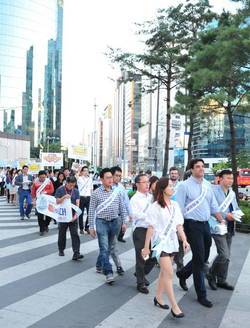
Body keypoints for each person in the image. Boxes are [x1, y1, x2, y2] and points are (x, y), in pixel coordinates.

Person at [175, 158, 224, 308]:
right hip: (191, 225)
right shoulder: (184, 186)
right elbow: (180, 208)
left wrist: (221, 219)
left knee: (203, 257)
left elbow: (213, 204)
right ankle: (201, 295)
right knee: (199, 258)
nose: (201, 169)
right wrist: (180, 230)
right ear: (192, 169)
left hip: (205, 225)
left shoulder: (207, 185)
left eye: (202, 166)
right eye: (198, 167)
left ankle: (182, 274)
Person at [142, 178, 189, 318]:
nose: (172, 187)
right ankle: (175, 306)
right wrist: (146, 247)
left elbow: (179, 225)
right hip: (160, 244)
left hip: (173, 242)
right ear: (162, 189)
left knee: (164, 272)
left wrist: (185, 239)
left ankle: (158, 297)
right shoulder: (155, 206)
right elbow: (150, 227)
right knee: (169, 272)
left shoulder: (175, 204)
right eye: (169, 186)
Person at [88, 168, 127, 284]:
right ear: (101, 179)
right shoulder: (96, 193)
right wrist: (91, 227)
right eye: (108, 178)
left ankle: (99, 264)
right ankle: (108, 272)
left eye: (111, 177)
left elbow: (122, 207)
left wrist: (124, 222)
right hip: (101, 223)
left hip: (115, 223)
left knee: (108, 247)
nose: (111, 180)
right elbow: (91, 211)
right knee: (104, 248)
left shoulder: (117, 192)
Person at [206, 169, 239, 291]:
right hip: (218, 226)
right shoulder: (213, 191)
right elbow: (211, 208)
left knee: (227, 256)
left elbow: (235, 207)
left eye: (232, 178)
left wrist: (236, 214)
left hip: (230, 226)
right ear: (221, 179)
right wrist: (226, 216)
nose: (231, 181)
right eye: (228, 178)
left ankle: (221, 280)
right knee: (224, 254)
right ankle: (211, 273)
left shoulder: (232, 192)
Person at [130, 174, 157, 294]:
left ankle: (140, 273)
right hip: (141, 230)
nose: (147, 184)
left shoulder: (151, 197)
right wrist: (150, 216)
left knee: (153, 257)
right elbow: (135, 215)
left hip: (152, 230)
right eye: (144, 182)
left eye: (148, 182)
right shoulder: (135, 199)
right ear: (137, 185)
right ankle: (140, 283)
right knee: (142, 257)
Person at [55, 176, 83, 260]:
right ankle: (61, 249)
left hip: (73, 215)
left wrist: (76, 215)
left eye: (73, 185)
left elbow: (78, 203)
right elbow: (57, 201)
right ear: (66, 183)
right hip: (63, 216)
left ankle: (76, 252)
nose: (72, 187)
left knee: (75, 234)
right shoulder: (60, 189)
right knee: (62, 233)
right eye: (70, 185)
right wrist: (63, 197)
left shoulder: (76, 191)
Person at [169, 167, 184, 272]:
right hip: (167, 215)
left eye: (175, 173)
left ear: (178, 175)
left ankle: (180, 262)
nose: (174, 175)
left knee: (179, 240)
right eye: (172, 173)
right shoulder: (166, 184)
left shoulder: (182, 186)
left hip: (178, 216)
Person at [31, 170, 54, 236]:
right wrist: (33, 200)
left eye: (44, 177)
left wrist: (45, 192)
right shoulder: (35, 182)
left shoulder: (49, 181)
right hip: (39, 201)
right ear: (39, 176)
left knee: (49, 215)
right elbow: (33, 192)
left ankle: (46, 225)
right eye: (41, 177)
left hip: (47, 200)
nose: (42, 179)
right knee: (40, 216)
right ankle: (41, 229)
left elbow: (52, 190)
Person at [77, 166, 93, 234]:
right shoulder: (79, 178)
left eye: (87, 170)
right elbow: (76, 175)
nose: (86, 172)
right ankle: (81, 228)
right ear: (82, 172)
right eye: (84, 170)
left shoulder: (90, 179)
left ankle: (87, 227)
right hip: (81, 197)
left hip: (88, 197)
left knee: (90, 213)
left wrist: (92, 197)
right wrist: (79, 170)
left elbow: (91, 188)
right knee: (81, 213)